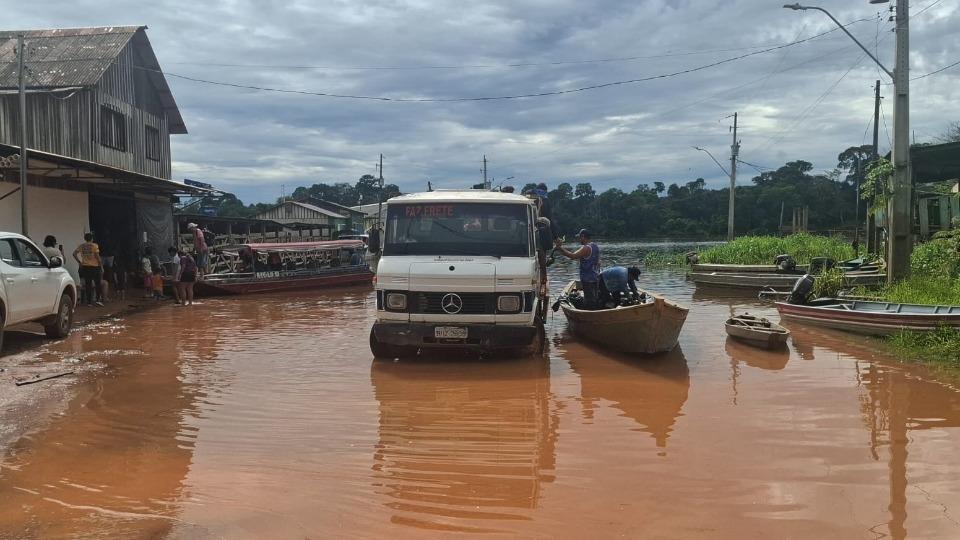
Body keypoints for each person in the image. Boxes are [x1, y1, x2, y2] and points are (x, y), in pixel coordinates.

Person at [555, 229, 601, 309]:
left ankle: (590, 315)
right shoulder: (595, 246)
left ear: (583, 237)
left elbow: (573, 256)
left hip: (587, 279)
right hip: (595, 277)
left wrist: (560, 248)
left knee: (589, 301)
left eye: (579, 237)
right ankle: (594, 311)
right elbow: (598, 262)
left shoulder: (586, 248)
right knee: (594, 298)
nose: (579, 239)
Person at [72, 233, 104, 307]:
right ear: (92, 238)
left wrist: (79, 262)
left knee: (88, 284)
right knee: (97, 283)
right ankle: (98, 300)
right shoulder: (94, 246)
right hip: (95, 266)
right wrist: (101, 266)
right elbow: (97, 257)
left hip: (85, 266)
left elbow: (74, 254)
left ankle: (89, 302)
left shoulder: (82, 246)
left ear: (85, 239)